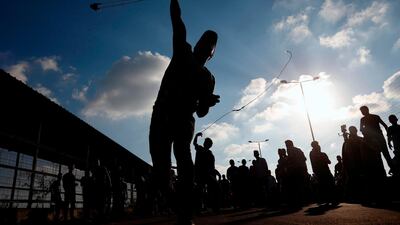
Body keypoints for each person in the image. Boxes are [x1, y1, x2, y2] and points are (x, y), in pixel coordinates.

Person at [149, 0, 220, 223]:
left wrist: (206, 103)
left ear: (212, 54)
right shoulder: (182, 50)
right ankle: (176, 203)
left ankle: (185, 213)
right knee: (161, 171)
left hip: (183, 121)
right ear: (197, 43)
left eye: (210, 46)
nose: (205, 46)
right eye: (204, 41)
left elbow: (201, 113)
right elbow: (177, 21)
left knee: (184, 162)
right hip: (162, 115)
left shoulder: (208, 78)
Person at [193, 132, 220, 212]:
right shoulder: (200, 148)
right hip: (200, 174)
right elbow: (194, 143)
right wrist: (196, 136)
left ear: (209, 145)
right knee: (199, 191)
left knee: (214, 188)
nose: (205, 144)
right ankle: (199, 208)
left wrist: (216, 173)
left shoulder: (210, 154)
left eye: (207, 143)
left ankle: (213, 206)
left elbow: (212, 167)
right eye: (205, 142)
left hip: (206, 174)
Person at [285, 140, 308, 206]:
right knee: (302, 183)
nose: (286, 146)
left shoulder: (290, 149)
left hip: (296, 169)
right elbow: (304, 158)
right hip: (302, 167)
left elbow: (291, 159)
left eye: (287, 144)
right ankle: (304, 199)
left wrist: (287, 163)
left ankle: (299, 200)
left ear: (289, 144)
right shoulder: (298, 149)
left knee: (297, 184)